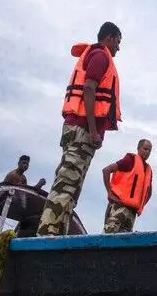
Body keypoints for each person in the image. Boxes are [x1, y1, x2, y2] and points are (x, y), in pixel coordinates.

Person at [36, 22, 123, 236]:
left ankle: (57, 231)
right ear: (110, 37)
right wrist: (93, 130)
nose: (119, 48)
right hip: (82, 129)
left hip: (80, 130)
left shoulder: (98, 55)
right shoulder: (101, 56)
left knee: (71, 186)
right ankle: (48, 234)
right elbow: (89, 88)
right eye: (118, 42)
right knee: (67, 184)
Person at [102, 139, 153, 233]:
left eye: (149, 150)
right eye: (145, 149)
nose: (147, 152)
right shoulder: (130, 160)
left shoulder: (148, 170)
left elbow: (149, 193)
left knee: (123, 242)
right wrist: (110, 193)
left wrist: (140, 205)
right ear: (138, 148)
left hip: (132, 213)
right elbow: (106, 170)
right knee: (109, 235)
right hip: (119, 206)